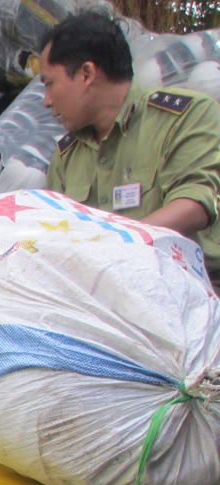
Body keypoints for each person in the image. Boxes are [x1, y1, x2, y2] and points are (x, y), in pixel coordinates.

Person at [40, 10, 220, 294]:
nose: (47, 101)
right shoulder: (67, 156)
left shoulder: (186, 115)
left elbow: (195, 204)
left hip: (194, 289)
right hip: (109, 298)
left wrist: (117, 245)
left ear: (86, 73)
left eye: (50, 84)